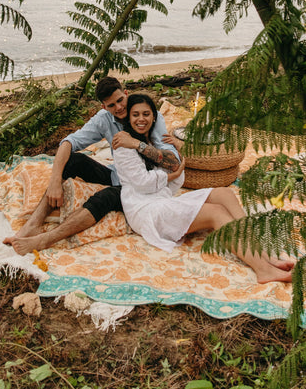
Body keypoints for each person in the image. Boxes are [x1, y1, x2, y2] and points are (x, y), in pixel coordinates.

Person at [113, 93, 293, 284]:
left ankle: (264, 254)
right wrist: (169, 172)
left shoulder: (150, 142)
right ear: (128, 118)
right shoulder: (123, 146)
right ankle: (264, 270)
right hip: (145, 210)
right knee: (216, 213)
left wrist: (169, 160)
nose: (141, 119)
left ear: (154, 117)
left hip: (162, 200)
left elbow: (176, 180)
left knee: (224, 193)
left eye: (146, 114)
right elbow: (145, 183)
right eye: (135, 115)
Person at [4, 76, 180, 255]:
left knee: (105, 197)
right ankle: (33, 225)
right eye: (111, 105)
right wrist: (55, 182)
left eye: (120, 100)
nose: (119, 108)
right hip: (117, 174)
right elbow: (69, 142)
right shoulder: (104, 118)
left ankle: (46, 239)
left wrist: (136, 144)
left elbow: (173, 161)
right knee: (73, 160)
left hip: (143, 186)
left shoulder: (147, 114)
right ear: (104, 107)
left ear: (126, 94)